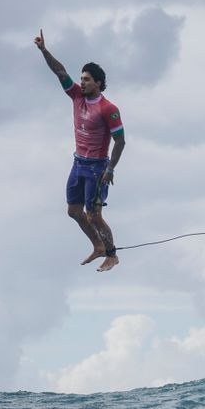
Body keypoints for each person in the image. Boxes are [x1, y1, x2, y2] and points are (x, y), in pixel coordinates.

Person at [34, 29, 126, 272]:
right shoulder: (77, 96)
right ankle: (98, 246)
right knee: (74, 211)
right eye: (81, 78)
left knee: (94, 215)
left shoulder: (109, 109)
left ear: (97, 83)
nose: (81, 82)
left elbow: (121, 141)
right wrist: (44, 50)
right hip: (78, 164)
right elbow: (60, 72)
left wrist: (110, 168)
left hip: (97, 168)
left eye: (86, 79)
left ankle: (112, 254)